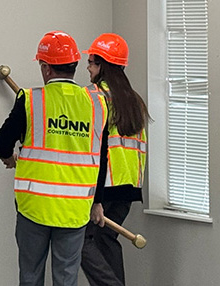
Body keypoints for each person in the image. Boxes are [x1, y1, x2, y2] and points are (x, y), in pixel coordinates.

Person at [0, 31, 109, 286]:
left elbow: (0, 142)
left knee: (31, 276)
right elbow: (102, 158)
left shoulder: (30, 100)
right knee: (66, 278)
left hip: (34, 207)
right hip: (75, 208)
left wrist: (9, 158)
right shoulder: (98, 103)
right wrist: (97, 202)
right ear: (75, 65)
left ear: (45, 68)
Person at [80, 34, 150, 286]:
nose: (87, 67)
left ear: (103, 66)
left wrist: (95, 196)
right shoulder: (134, 99)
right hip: (129, 186)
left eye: (91, 62)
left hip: (104, 184)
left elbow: (94, 146)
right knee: (105, 239)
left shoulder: (95, 97)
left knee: (79, 241)